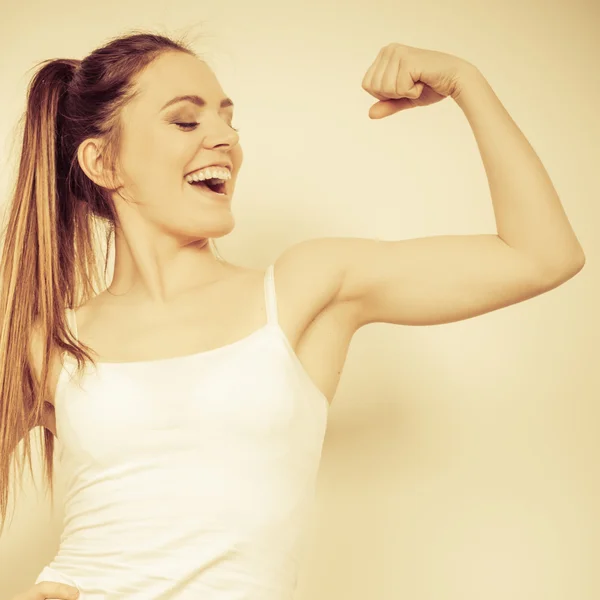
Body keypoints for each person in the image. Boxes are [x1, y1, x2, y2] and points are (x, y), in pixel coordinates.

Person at [0, 31, 585, 600]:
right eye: (186, 120)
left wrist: (466, 81)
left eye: (229, 121)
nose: (224, 139)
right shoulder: (49, 342)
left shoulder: (305, 290)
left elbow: (541, 256)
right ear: (103, 162)